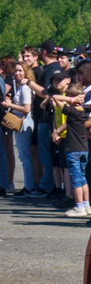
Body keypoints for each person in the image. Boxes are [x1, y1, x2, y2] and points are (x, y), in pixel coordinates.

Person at [53, 83, 91, 217]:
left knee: (75, 179)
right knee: (82, 178)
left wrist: (70, 100)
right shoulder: (84, 112)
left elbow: (55, 97)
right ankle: (87, 205)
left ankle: (79, 206)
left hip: (73, 149)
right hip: (84, 148)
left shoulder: (70, 111)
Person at [2, 63, 35, 194]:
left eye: (20, 71)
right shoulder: (21, 86)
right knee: (24, 155)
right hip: (22, 122)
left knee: (24, 156)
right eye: (16, 71)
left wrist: (11, 105)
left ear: (27, 72)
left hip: (24, 123)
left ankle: (28, 186)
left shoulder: (25, 88)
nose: (17, 73)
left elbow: (27, 109)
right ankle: (29, 185)